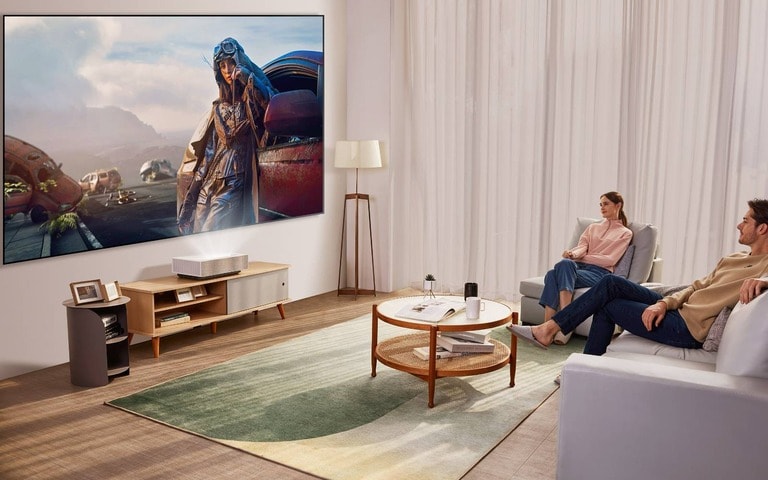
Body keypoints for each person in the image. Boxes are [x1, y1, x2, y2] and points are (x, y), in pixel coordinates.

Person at [509, 198, 768, 355]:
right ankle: (552, 333)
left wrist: (765, 281)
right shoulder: (734, 258)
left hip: (687, 328)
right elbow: (696, 287)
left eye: (745, 220)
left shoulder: (764, 267)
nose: (739, 224)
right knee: (610, 283)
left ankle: (568, 348)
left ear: (763, 228)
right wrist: (664, 302)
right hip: (675, 309)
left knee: (607, 306)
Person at [178, 37, 278, 234]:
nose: (227, 69)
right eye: (222, 65)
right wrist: (189, 202)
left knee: (208, 236)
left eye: (231, 62)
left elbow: (272, 105)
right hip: (210, 184)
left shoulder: (251, 97)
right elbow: (208, 155)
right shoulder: (218, 108)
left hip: (235, 181)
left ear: (240, 61)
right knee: (199, 234)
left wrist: (249, 79)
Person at [539, 191, 633, 345]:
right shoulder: (593, 227)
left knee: (552, 274)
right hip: (578, 268)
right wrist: (572, 253)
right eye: (600, 204)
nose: (602, 207)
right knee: (564, 264)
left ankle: (558, 327)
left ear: (618, 205)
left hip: (600, 273)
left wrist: (580, 257)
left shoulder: (625, 233)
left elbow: (610, 259)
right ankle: (549, 329)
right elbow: (582, 246)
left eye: (606, 204)